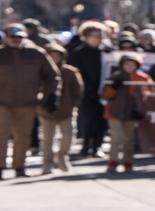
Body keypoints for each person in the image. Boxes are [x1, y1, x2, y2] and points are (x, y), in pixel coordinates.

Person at [0, 24, 59, 180]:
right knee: (1, 134)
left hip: (27, 102)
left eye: (19, 37)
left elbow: (52, 76)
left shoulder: (36, 54)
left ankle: (19, 167)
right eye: (12, 36)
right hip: (2, 102)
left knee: (23, 136)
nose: (15, 40)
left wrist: (49, 95)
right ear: (6, 37)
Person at [37, 42, 82, 173]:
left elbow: (78, 91)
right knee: (47, 139)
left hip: (66, 111)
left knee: (68, 136)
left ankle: (62, 156)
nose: (55, 58)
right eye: (51, 55)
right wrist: (41, 103)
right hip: (46, 111)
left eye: (58, 55)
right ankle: (47, 162)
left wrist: (73, 105)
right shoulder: (40, 72)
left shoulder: (70, 71)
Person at [101, 51, 148, 173]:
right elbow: (105, 95)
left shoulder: (142, 78)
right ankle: (113, 161)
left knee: (129, 139)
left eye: (132, 64)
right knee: (117, 138)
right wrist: (113, 87)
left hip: (132, 113)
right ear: (122, 65)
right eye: (127, 64)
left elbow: (148, 95)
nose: (130, 67)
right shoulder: (115, 77)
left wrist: (141, 108)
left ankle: (128, 162)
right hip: (114, 112)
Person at [67, 22, 109, 159]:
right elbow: (75, 73)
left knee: (102, 121)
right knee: (88, 120)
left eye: (100, 36)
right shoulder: (78, 53)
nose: (98, 38)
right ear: (85, 37)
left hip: (105, 91)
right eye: (94, 36)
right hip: (86, 92)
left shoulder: (107, 52)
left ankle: (97, 146)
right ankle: (86, 147)